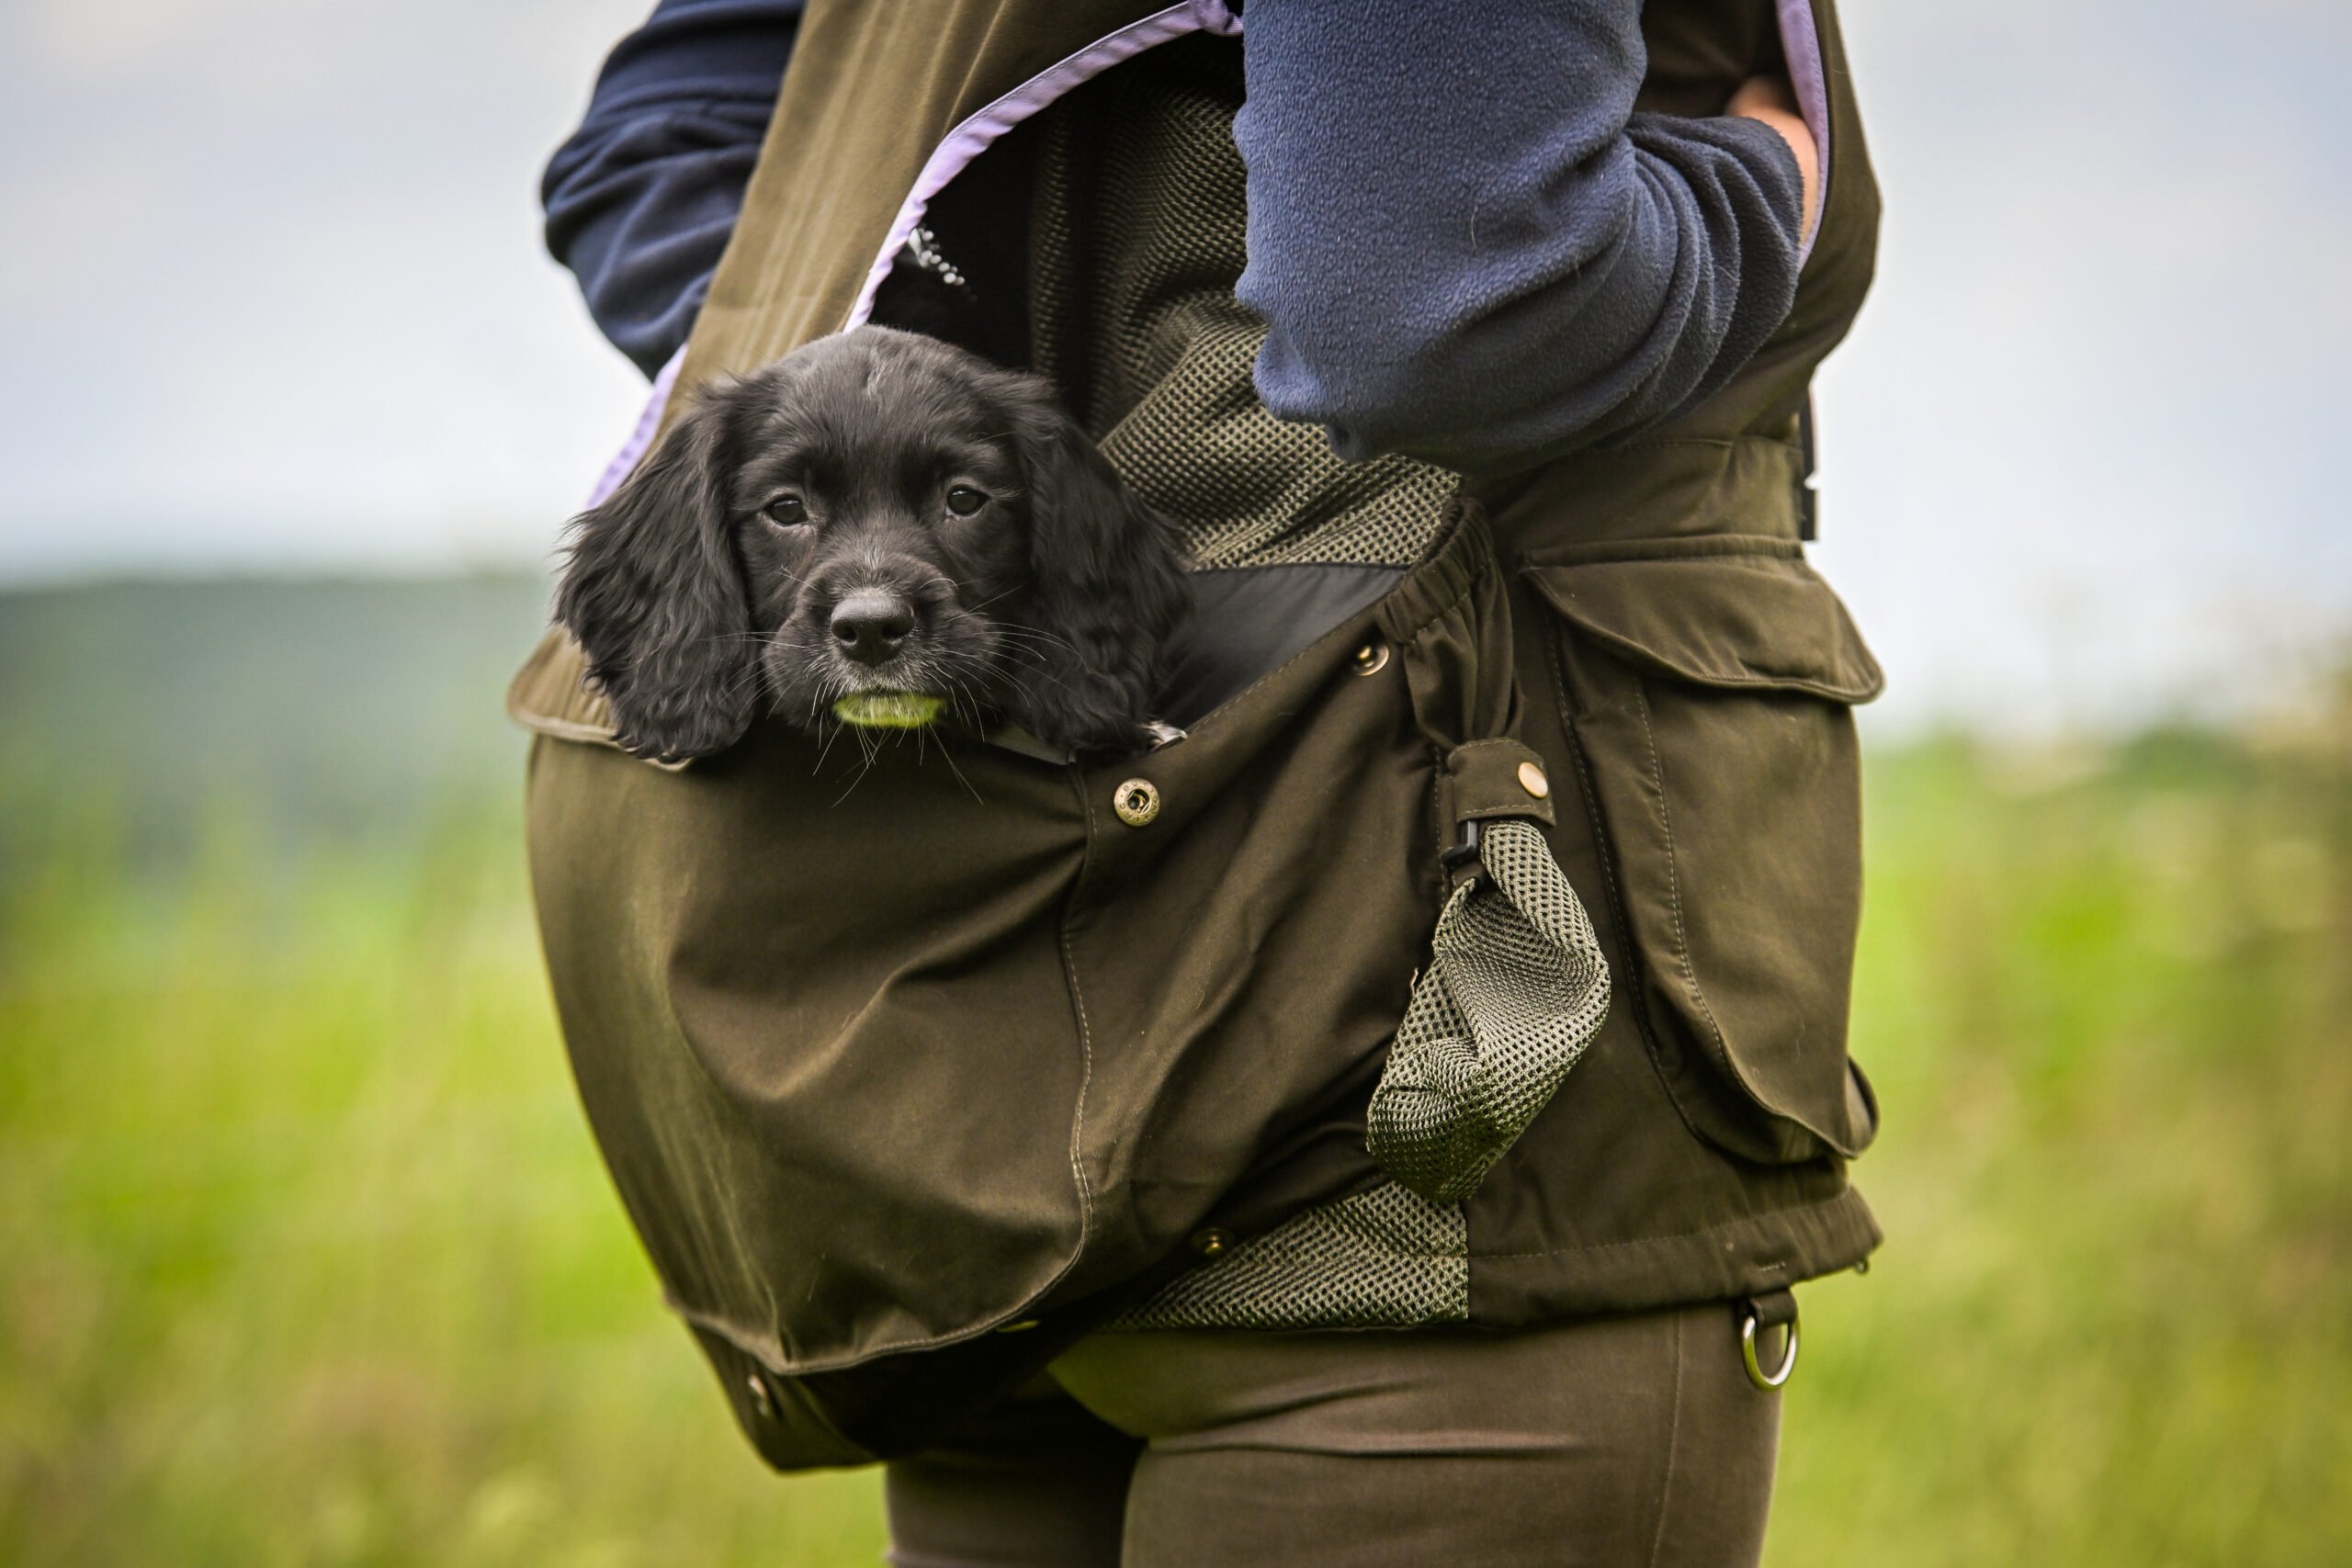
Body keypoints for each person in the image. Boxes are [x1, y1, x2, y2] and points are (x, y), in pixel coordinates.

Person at [534, 2, 1882, 1562]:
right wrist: (1764, 182)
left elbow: (666, 144)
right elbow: (1439, 304)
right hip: (1406, 1143)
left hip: (973, 1150)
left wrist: (999, 437)